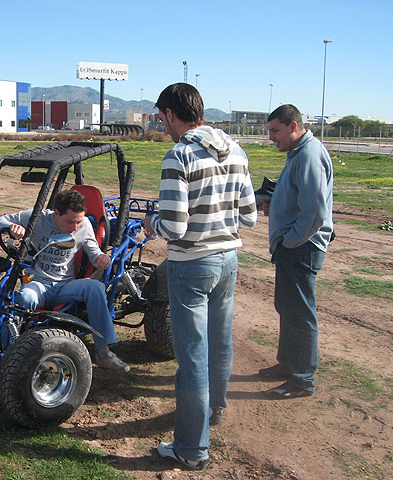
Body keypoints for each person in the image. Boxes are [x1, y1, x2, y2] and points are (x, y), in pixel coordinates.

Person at [143, 83, 257, 470]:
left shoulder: (179, 155)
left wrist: (151, 221)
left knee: (191, 355)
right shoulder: (237, 151)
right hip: (228, 259)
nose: (164, 125)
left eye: (162, 118)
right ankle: (214, 410)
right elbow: (249, 217)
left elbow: (173, 227)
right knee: (219, 341)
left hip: (191, 263)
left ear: (171, 114)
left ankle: (191, 449)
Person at [0, 189, 130, 373]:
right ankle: (4, 346)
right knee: (24, 297)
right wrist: (12, 228)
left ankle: (103, 352)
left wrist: (100, 259)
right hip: (38, 282)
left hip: (66, 285)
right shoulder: (37, 218)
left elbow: (94, 253)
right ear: (56, 212)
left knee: (95, 287)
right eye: (69, 221)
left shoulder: (84, 225)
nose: (74, 227)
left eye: (78, 221)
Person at [259, 104, 333, 398]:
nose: (271, 137)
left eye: (275, 131)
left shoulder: (309, 155)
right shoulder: (298, 153)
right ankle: (287, 364)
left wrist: (290, 241)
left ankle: (302, 379)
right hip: (292, 246)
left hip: (301, 248)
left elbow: (315, 212)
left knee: (301, 314)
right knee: (287, 308)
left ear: (293, 126)